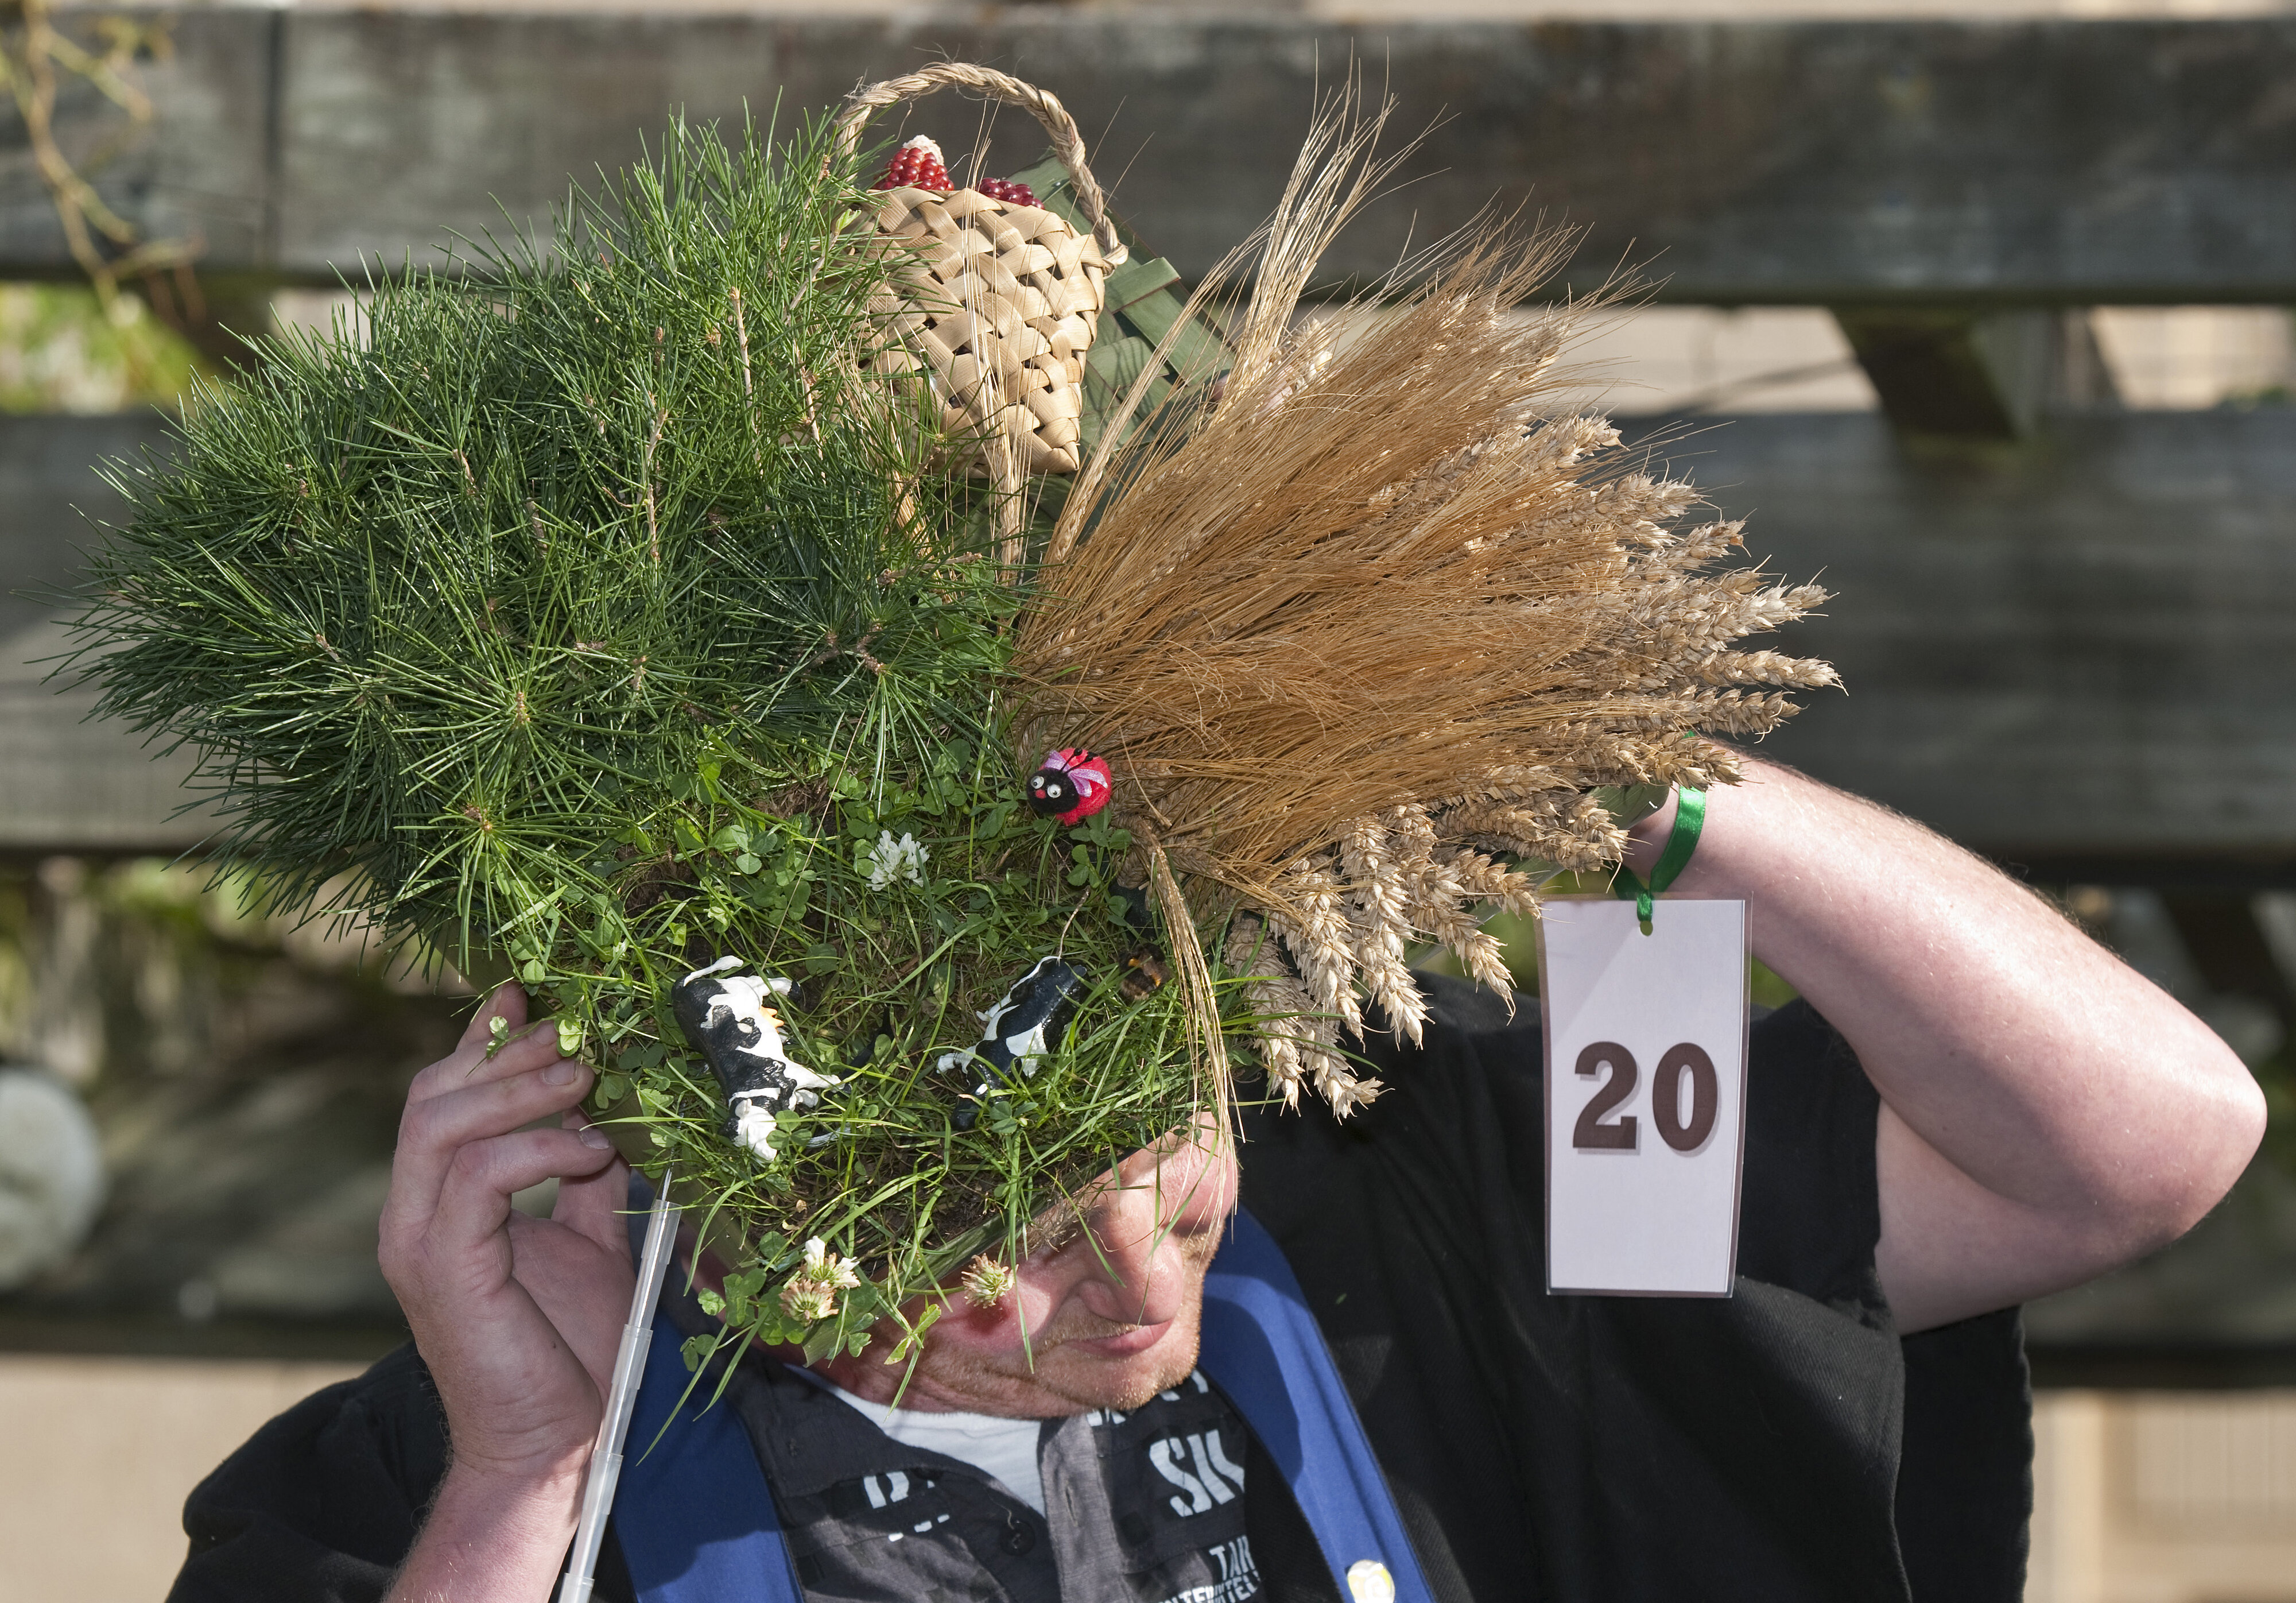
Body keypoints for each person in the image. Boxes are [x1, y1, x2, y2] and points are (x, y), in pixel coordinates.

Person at [168, 758, 2264, 1603]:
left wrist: (1648, 801)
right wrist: (522, 1476)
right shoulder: (409, 1492)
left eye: (1170, 1179)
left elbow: (2144, 1145)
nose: (1147, 1297)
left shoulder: (1456, 1178)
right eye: (1002, 1262)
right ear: (729, 1213)